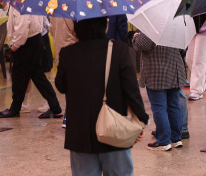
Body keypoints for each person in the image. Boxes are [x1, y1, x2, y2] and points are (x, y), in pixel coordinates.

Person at [55, 17, 148, 176]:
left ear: (77, 27)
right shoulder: (119, 50)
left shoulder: (67, 53)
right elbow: (132, 90)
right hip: (114, 130)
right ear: (104, 25)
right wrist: (142, 119)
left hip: (80, 135)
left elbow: (60, 86)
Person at [0, 0, 63, 119]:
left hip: (27, 43)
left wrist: (15, 44)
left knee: (21, 75)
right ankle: (55, 107)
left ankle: (15, 109)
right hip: (33, 40)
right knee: (35, 75)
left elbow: (23, 24)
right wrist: (6, 6)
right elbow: (18, 16)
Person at [151, 0, 190, 139]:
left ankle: (170, 134)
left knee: (167, 101)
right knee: (173, 100)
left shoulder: (174, 1)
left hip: (166, 59)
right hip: (175, 56)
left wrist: (136, 38)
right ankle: (175, 133)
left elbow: (144, 42)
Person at [133, 30, 186, 151]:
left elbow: (142, 45)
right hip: (175, 68)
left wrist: (135, 37)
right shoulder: (176, 21)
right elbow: (183, 48)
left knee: (159, 107)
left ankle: (163, 141)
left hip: (156, 70)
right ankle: (176, 138)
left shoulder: (153, 23)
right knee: (174, 105)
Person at [186, 15, 206, 101]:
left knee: (199, 60)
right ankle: (202, 79)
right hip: (192, 29)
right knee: (189, 59)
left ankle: (196, 91)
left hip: (205, 30)